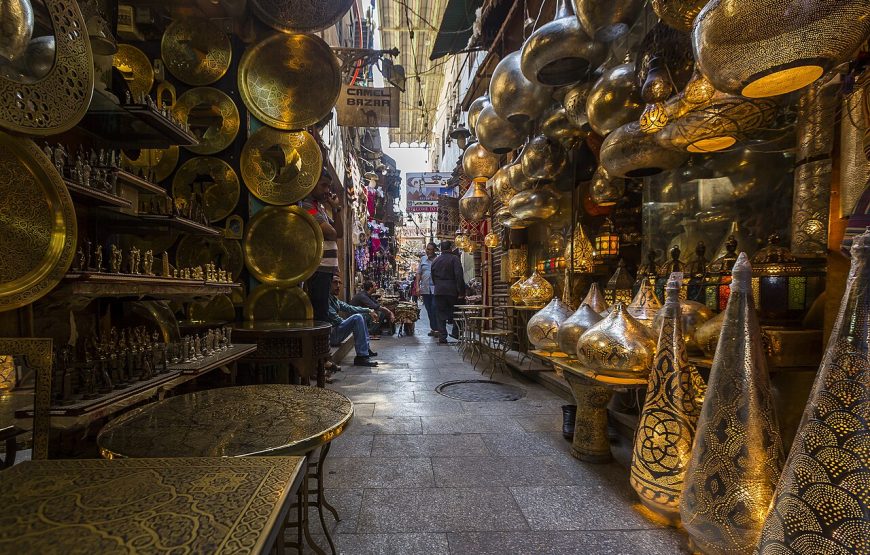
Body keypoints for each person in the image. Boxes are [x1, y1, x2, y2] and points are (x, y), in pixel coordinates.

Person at [298, 167, 343, 323]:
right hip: (318, 268)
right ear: (313, 184)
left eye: (329, 187)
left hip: (326, 269)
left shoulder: (321, 209)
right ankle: (321, 345)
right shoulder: (307, 207)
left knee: (322, 310)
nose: (327, 190)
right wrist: (332, 229)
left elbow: (340, 232)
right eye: (323, 185)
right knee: (319, 313)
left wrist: (336, 209)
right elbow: (331, 233)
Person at [328, 276, 378, 367]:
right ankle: (361, 357)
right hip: (331, 336)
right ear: (328, 284)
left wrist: (368, 310)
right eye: (335, 282)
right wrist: (349, 323)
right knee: (357, 318)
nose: (338, 285)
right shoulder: (326, 300)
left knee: (361, 316)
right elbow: (336, 320)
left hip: (336, 332)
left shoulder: (334, 299)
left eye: (339, 283)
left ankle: (366, 349)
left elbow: (349, 308)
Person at [431, 240, 466, 345]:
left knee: (440, 314)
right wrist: (461, 291)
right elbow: (459, 275)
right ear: (450, 248)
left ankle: (442, 337)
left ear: (441, 249)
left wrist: (438, 286)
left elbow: (433, 278)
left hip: (439, 291)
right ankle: (456, 333)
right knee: (457, 312)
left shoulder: (435, 261)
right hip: (452, 290)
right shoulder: (454, 259)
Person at [416, 242, 438, 335]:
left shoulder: (438, 260)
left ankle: (438, 328)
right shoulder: (423, 259)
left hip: (435, 288)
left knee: (434, 307)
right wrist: (417, 286)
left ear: (435, 250)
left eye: (430, 249)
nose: (428, 251)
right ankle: (433, 329)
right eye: (427, 249)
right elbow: (419, 273)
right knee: (429, 309)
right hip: (425, 288)